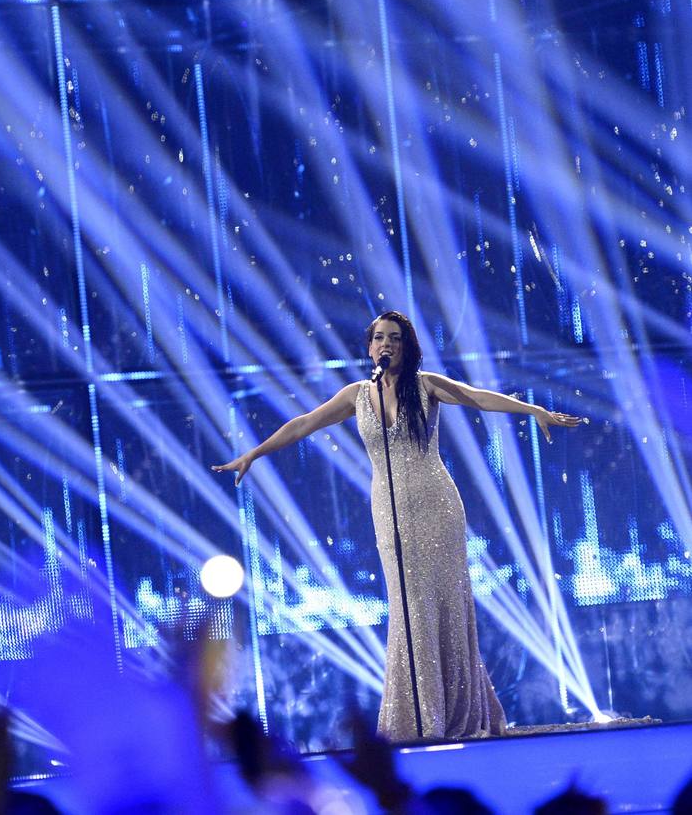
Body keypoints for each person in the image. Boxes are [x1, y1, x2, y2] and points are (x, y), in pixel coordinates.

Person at [212, 311, 582, 741]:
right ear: (370, 348)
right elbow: (303, 424)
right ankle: (420, 714)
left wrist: (532, 409)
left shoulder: (425, 387)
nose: (387, 344)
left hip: (436, 507)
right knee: (408, 610)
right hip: (389, 513)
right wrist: (253, 454)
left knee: (443, 606)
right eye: (380, 338)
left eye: (396, 338)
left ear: (407, 348)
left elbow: (477, 397)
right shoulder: (356, 395)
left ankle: (454, 712)